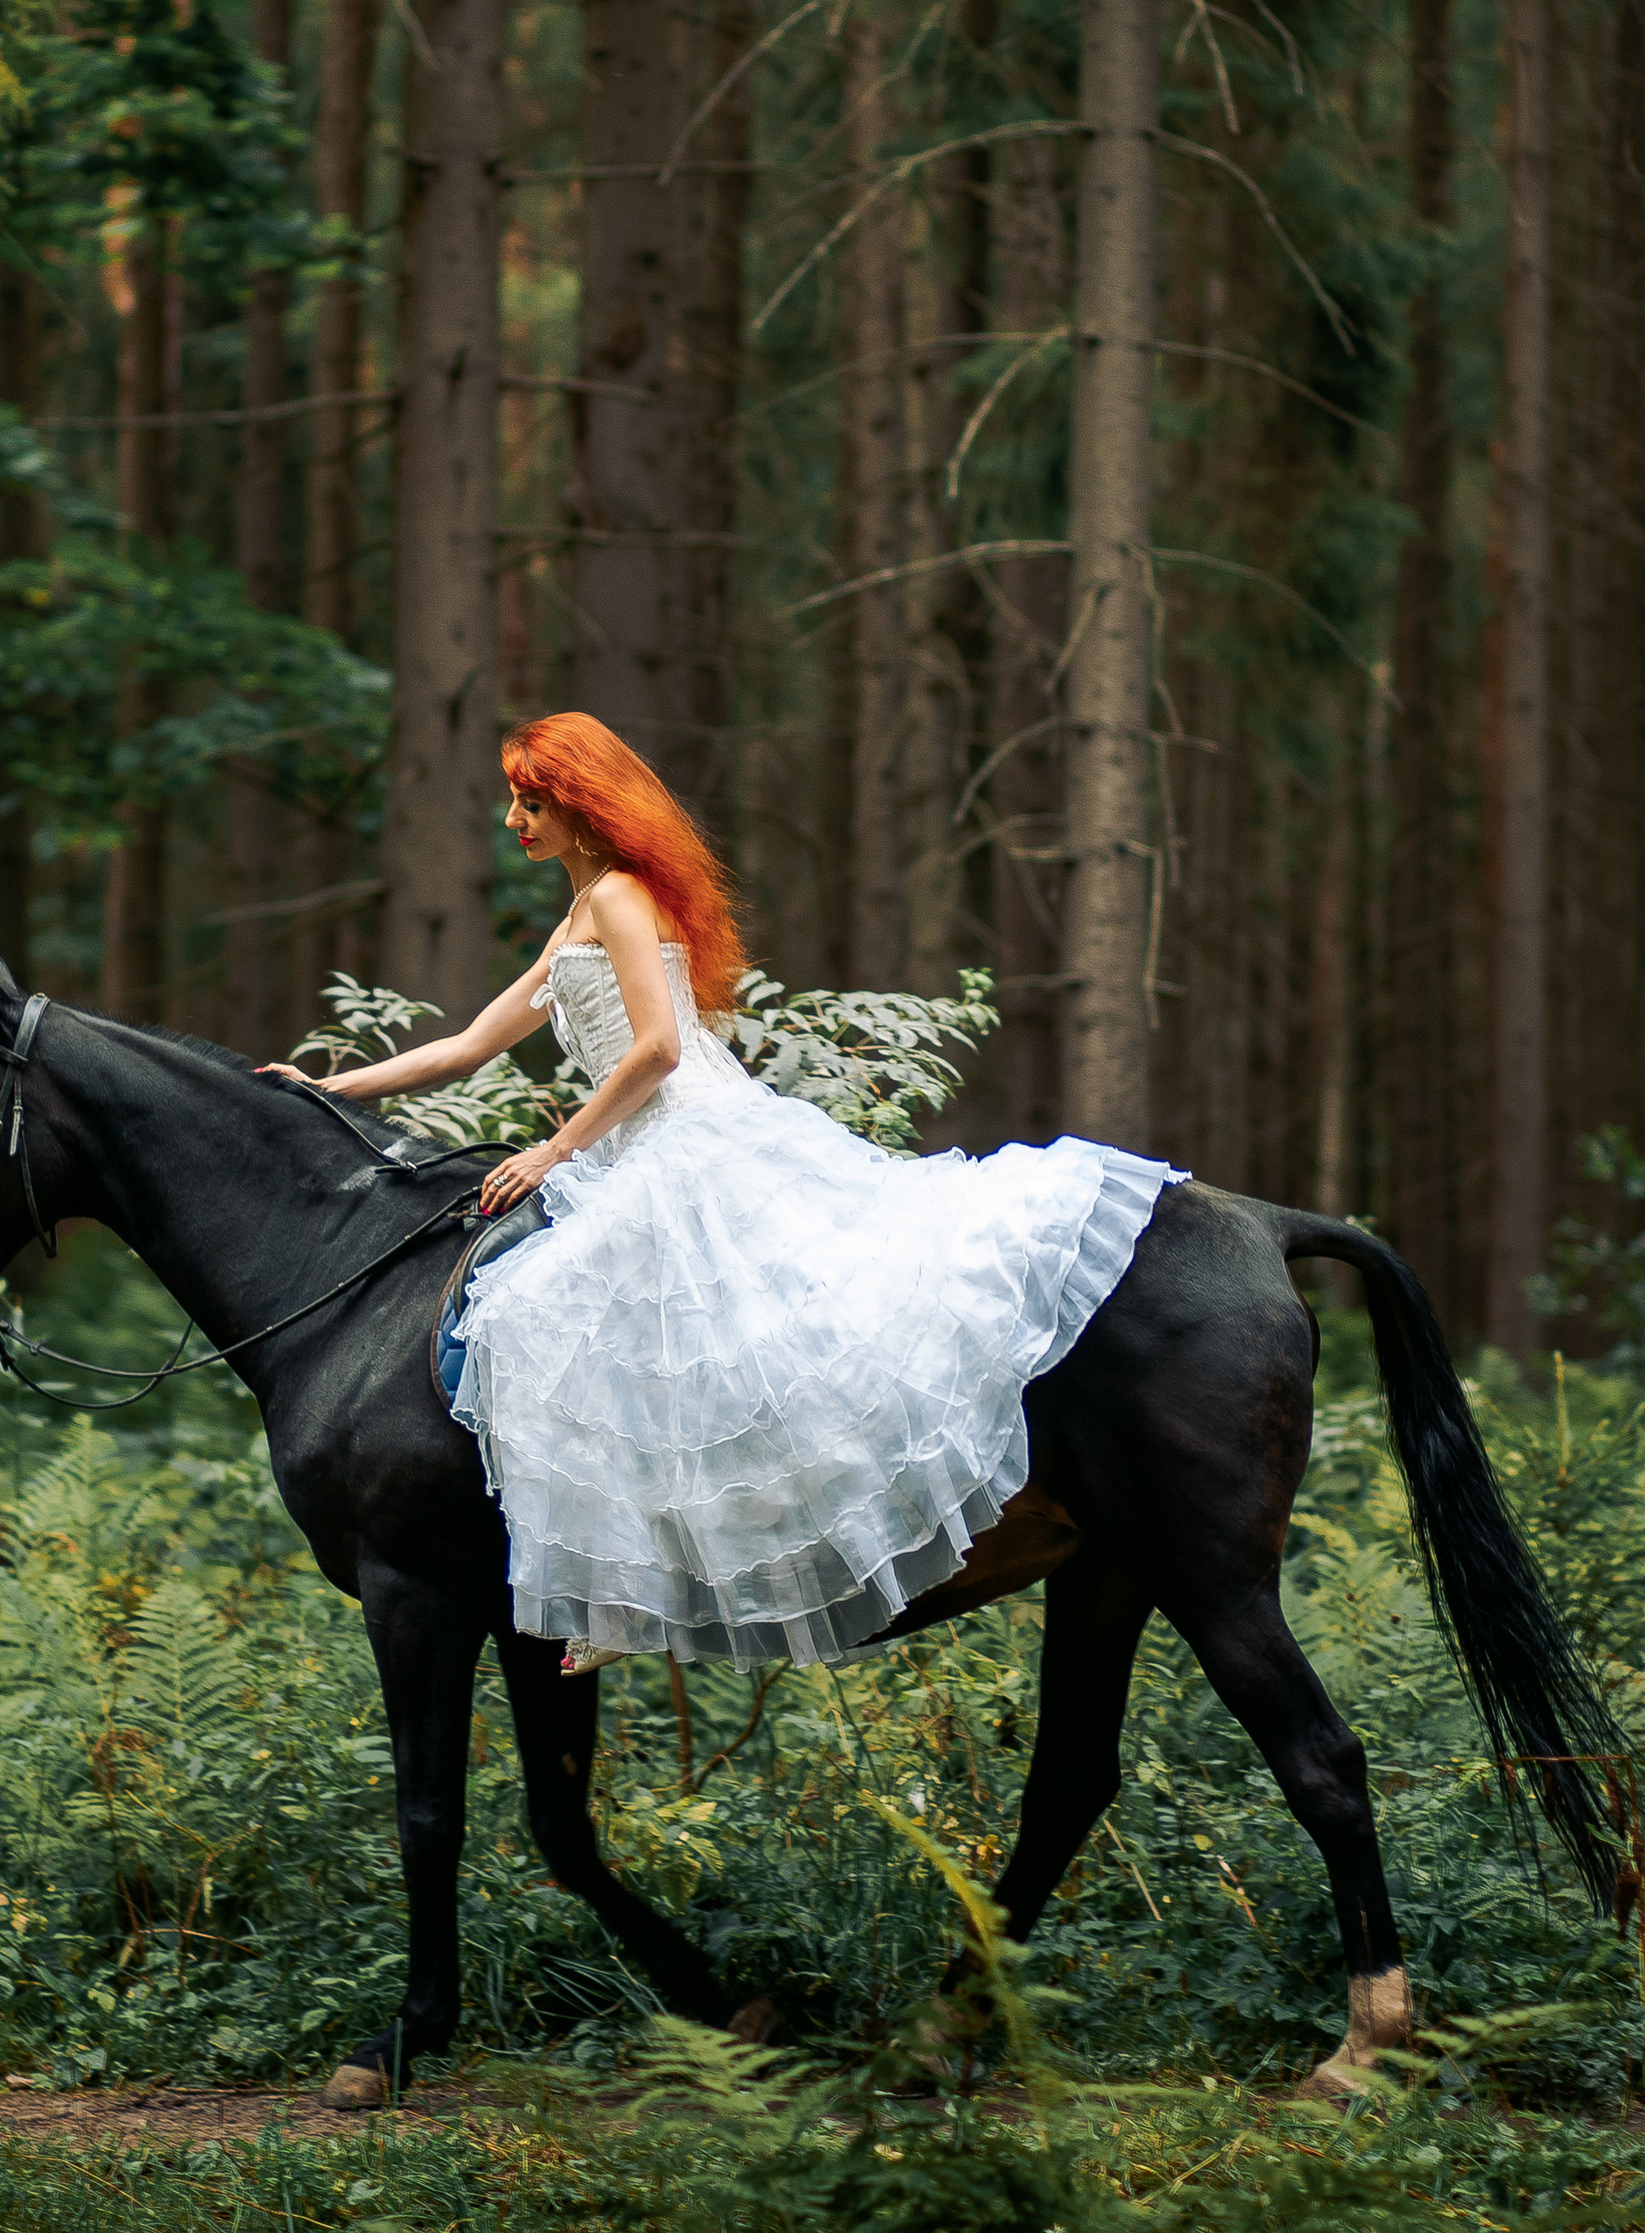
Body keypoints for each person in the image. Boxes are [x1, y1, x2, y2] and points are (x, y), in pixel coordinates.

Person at [269, 713, 1180, 1675]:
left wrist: (554, 1150)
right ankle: (628, 1581)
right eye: (515, 801)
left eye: (532, 802)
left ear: (584, 806)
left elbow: (659, 1050)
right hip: (636, 1148)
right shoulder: (577, 918)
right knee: (589, 1339)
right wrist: (325, 1089)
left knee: (581, 1322)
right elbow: (467, 1047)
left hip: (686, 1140)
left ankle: (633, 1590)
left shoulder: (620, 897)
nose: (514, 820)